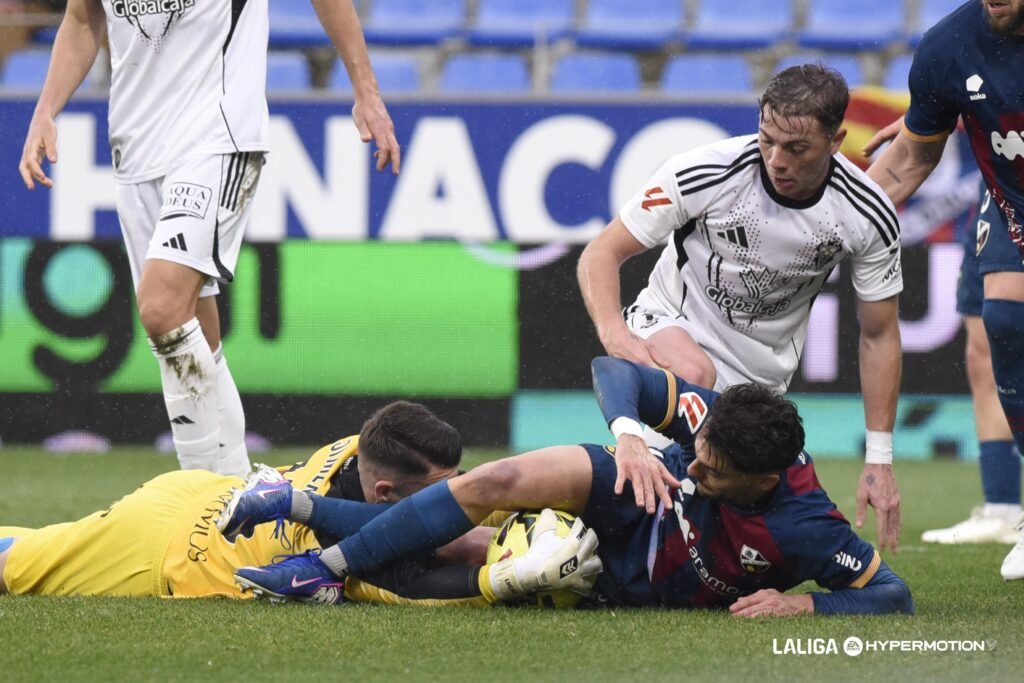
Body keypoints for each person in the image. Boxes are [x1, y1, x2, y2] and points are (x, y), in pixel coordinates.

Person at [17, 0, 401, 477]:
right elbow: (82, 19)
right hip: (135, 150)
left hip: (217, 135)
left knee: (160, 310)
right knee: (191, 328)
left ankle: (197, 494)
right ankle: (237, 488)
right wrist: (45, 111)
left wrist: (366, 91)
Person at [227, 357, 915, 616]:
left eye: (710, 472)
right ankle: (318, 569)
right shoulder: (714, 427)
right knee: (498, 479)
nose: (695, 471)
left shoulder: (809, 527)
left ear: (762, 481)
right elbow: (615, 369)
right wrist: (629, 435)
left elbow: (894, 596)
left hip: (625, 576)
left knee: (461, 554)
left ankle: (297, 503)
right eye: (695, 454)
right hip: (631, 486)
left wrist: (809, 611)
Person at [577, 64, 904, 552]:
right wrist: (613, 333)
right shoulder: (705, 171)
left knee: (732, 527)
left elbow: (879, 334)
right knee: (693, 372)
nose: (776, 159)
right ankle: (579, 509)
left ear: (836, 141)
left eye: (797, 149)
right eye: (767, 139)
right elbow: (601, 252)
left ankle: (612, 525)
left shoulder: (866, 213)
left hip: (760, 381)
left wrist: (879, 458)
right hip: (671, 322)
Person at [0, 402, 477, 603]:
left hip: (211, 493)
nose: (452, 498)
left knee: (45, 544)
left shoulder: (368, 445)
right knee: (15, 569)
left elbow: (479, 494)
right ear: (384, 495)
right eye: (440, 490)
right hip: (159, 544)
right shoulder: (351, 542)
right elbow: (437, 588)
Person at [864, 0, 1024, 580]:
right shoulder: (948, 45)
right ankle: (1008, 505)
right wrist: (832, 220)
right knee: (1000, 327)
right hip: (1013, 205)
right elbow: (910, 155)